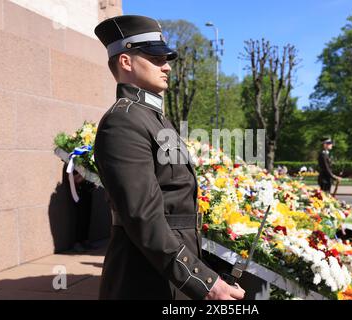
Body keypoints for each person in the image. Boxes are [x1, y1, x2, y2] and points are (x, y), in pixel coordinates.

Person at [93, 15, 245, 300]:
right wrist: (205, 282)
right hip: (144, 278)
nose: (166, 65)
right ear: (125, 61)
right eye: (154, 57)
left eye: (165, 57)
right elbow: (144, 218)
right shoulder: (123, 122)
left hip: (170, 270)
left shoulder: (153, 118)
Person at [72, 170, 96, 253]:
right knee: (81, 217)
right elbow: (74, 177)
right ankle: (77, 242)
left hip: (87, 190)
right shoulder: (74, 160)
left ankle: (85, 240)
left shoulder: (84, 159)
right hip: (79, 191)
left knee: (87, 216)